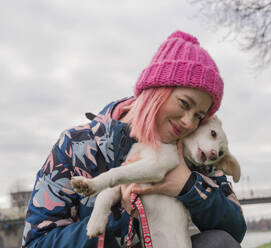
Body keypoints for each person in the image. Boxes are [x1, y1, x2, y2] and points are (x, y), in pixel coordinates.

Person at [22, 30, 247, 248]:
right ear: (155, 89)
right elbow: (36, 242)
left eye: (199, 116)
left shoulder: (196, 152)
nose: (189, 122)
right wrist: (121, 217)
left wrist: (187, 186)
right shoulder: (75, 145)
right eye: (184, 104)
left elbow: (235, 231)